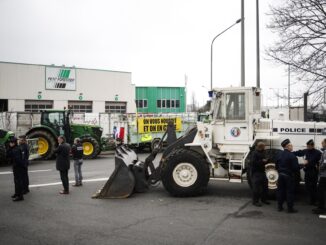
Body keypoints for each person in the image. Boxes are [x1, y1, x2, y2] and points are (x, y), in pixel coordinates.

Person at [293, 139, 321, 205]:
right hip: (307, 171)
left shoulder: (318, 153)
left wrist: (309, 162)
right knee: (307, 186)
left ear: (313, 145)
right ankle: (310, 199)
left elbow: (320, 162)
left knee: (313, 186)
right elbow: (298, 153)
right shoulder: (306, 151)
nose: (307, 147)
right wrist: (289, 153)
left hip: (314, 172)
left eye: (309, 146)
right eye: (307, 146)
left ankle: (314, 200)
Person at [276, 139, 300, 213]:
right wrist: (303, 165)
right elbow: (295, 168)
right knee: (289, 192)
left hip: (280, 175)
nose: (292, 147)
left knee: (280, 191)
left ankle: (279, 207)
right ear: (287, 146)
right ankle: (290, 209)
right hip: (288, 176)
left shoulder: (279, 154)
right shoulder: (292, 156)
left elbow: (276, 165)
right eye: (291, 145)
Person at [250, 141, 270, 207]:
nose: (265, 147)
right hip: (256, 173)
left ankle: (263, 199)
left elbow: (265, 159)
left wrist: (267, 160)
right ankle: (255, 201)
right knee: (256, 188)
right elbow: (253, 163)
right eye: (264, 146)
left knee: (265, 187)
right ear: (261, 147)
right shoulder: (254, 153)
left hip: (262, 172)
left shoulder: (263, 152)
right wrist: (262, 161)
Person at [7, 137, 24, 201]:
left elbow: (18, 160)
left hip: (18, 167)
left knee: (18, 182)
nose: (9, 144)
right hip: (16, 167)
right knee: (16, 181)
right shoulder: (14, 148)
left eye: (10, 143)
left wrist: (19, 166)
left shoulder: (16, 149)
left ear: (13, 143)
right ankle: (17, 193)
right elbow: (8, 155)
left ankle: (20, 196)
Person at [313, 139, 326, 214]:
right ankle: (321, 206)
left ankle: (321, 208)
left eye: (323, 142)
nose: (321, 143)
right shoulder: (324, 151)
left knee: (320, 191)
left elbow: (325, 163)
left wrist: (319, 168)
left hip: (324, 175)